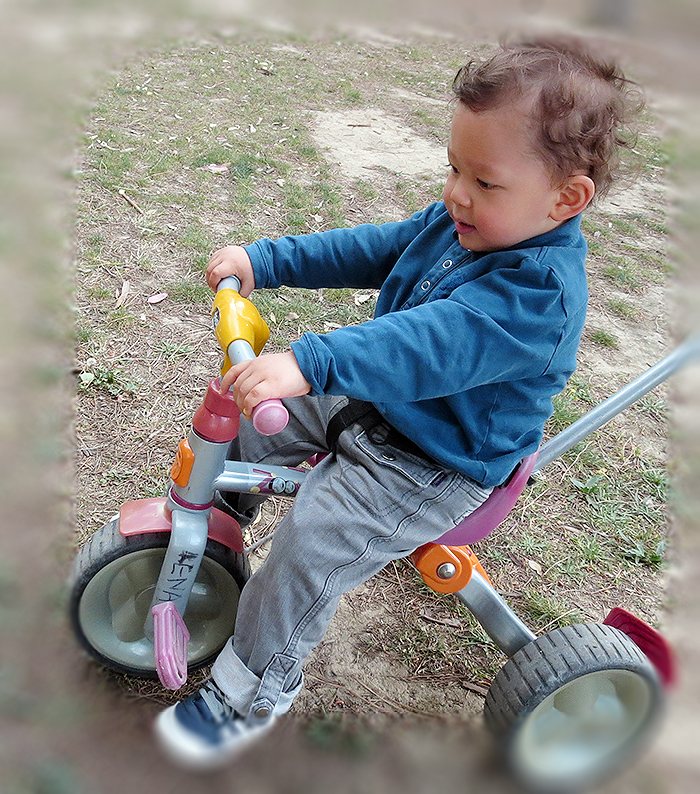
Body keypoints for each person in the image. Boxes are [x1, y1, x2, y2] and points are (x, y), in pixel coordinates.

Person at [155, 34, 642, 767]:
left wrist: (309, 362)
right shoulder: (465, 223)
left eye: (484, 181)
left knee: (314, 541)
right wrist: (267, 260)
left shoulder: (538, 297)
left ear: (566, 198)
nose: (456, 193)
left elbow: (423, 345)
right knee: (250, 431)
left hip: (432, 464)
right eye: (454, 168)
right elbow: (378, 247)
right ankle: (214, 554)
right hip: (383, 409)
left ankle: (250, 693)